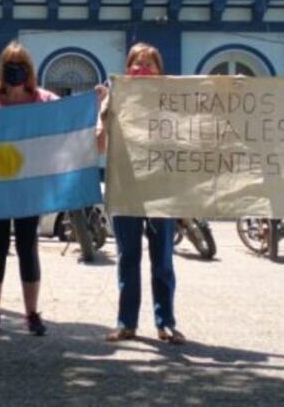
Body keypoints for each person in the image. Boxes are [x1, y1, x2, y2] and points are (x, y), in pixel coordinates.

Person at [0, 41, 56, 337]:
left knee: (28, 247)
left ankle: (31, 314)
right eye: (10, 66)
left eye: (21, 66)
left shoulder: (43, 100)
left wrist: (95, 101)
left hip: (29, 188)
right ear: (1, 71)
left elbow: (68, 117)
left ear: (29, 71)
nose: (15, 72)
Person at [98, 42, 184, 344]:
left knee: (162, 260)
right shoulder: (115, 99)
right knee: (128, 257)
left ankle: (166, 323)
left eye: (150, 64)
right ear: (127, 70)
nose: (143, 69)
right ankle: (126, 323)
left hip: (163, 189)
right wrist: (105, 113)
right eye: (138, 63)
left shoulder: (174, 102)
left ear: (160, 72)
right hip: (126, 188)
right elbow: (99, 146)